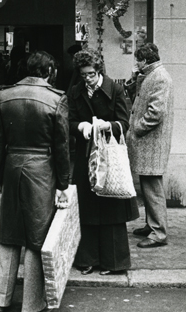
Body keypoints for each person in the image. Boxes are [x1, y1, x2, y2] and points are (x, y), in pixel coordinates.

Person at [0, 51, 71, 312]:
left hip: (12, 166)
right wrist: (63, 183)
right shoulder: (57, 99)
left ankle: (0, 298)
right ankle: (32, 304)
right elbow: (62, 146)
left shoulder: (4, 96)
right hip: (42, 169)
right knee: (37, 235)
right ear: (49, 71)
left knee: (9, 233)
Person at [68, 48, 138, 275]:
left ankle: (114, 262)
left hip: (108, 154)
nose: (86, 78)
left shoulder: (116, 90)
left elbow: (124, 123)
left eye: (90, 74)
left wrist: (108, 126)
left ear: (98, 70)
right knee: (87, 208)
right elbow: (69, 121)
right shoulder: (76, 91)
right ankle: (88, 259)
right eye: (83, 74)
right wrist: (80, 126)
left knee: (111, 207)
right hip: (85, 155)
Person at [125, 43, 174, 249]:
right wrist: (136, 78)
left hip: (151, 142)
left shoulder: (160, 77)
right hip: (149, 142)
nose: (136, 63)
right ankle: (151, 224)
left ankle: (158, 232)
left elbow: (156, 112)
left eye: (138, 59)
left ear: (145, 60)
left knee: (152, 188)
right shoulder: (152, 75)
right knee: (147, 186)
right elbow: (136, 95)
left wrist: (137, 128)